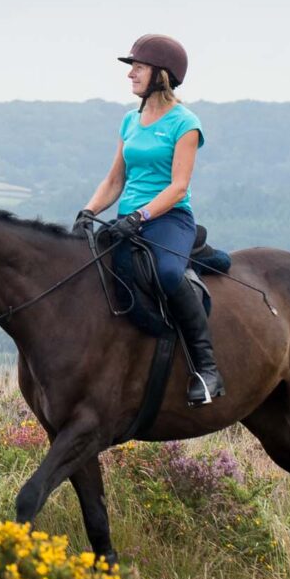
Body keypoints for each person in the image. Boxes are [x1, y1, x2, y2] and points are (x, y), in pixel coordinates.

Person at [73, 34, 225, 405]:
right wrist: (89, 212)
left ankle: (207, 370)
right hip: (127, 220)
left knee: (169, 275)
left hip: (168, 219)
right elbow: (114, 180)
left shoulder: (185, 123)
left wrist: (140, 216)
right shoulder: (130, 120)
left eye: (138, 68)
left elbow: (178, 186)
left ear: (162, 74)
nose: (131, 75)